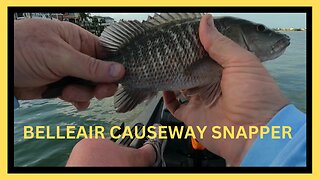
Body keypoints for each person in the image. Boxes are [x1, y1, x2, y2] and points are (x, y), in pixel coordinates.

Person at [14, 14, 306, 167]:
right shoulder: (214, 35)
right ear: (228, 35)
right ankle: (153, 149)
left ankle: (151, 151)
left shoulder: (225, 52)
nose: (271, 36)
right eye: (261, 29)